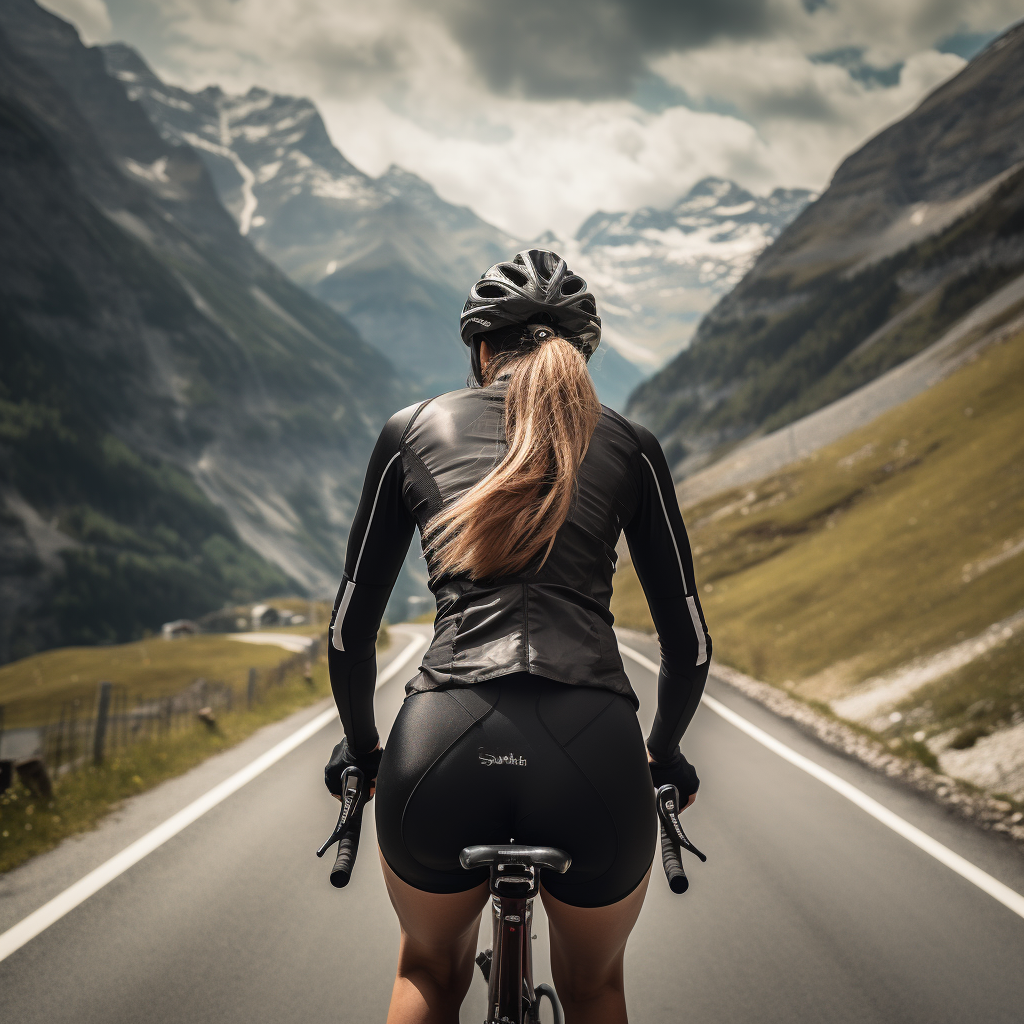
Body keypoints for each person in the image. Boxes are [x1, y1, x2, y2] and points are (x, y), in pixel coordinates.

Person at [324, 249, 711, 1024]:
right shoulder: (631, 446)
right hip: (593, 747)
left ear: (480, 348)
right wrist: (662, 753)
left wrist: (363, 749)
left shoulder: (410, 430)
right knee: (596, 988)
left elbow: (346, 634)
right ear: (581, 354)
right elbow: (691, 644)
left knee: (429, 972)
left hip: (443, 738)